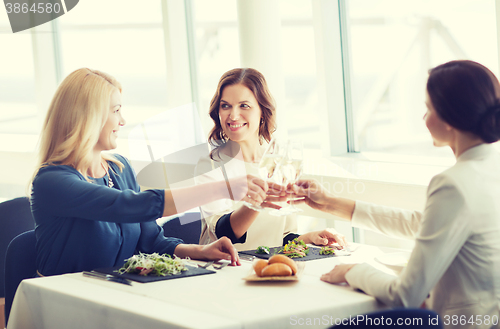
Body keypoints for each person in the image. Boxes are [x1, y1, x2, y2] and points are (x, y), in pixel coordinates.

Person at [292, 60, 500, 325]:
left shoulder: (454, 183)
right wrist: (329, 204)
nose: (424, 118)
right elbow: (421, 224)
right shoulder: (489, 169)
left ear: (450, 117)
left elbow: (405, 295)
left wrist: (354, 271)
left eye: (428, 108)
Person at [30, 68, 270, 276]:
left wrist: (201, 251)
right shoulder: (51, 182)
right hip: (68, 299)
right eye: (115, 111)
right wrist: (221, 188)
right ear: (89, 118)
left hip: (115, 292)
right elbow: (130, 205)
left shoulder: (119, 169)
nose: (122, 120)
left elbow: (151, 240)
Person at [194, 68, 346, 251]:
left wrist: (310, 238)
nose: (233, 115)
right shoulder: (210, 165)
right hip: (223, 268)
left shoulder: (278, 163)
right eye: (225, 105)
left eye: (244, 105)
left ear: (262, 112)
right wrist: (256, 203)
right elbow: (222, 234)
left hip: (265, 269)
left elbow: (282, 236)